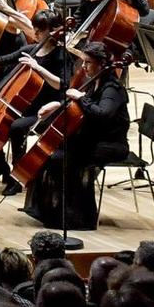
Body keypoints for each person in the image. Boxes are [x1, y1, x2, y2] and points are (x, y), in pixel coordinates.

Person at [23, 41, 131, 232]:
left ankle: (79, 218)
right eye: (83, 62)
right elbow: (79, 106)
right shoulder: (95, 82)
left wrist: (81, 98)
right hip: (91, 140)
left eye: (88, 62)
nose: (84, 67)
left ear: (101, 63)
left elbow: (102, 114)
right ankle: (49, 210)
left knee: (63, 159)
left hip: (111, 144)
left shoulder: (112, 88)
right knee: (51, 155)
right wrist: (58, 105)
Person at [0, 6, 72, 192]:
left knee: (16, 127)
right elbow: (4, 59)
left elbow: (63, 85)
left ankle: (17, 176)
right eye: (35, 28)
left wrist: (38, 69)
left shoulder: (61, 55)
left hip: (48, 109)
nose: (36, 32)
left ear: (52, 30)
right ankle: (0, 166)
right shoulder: (32, 49)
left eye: (40, 29)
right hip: (25, 106)